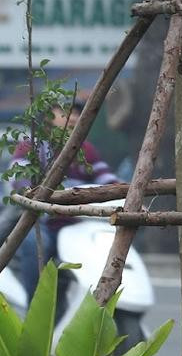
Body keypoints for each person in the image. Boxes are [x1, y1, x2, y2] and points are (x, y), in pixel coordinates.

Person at [10, 98, 118, 301]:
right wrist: (34, 194)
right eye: (66, 113)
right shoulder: (31, 146)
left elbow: (107, 179)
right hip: (44, 222)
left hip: (80, 223)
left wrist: (130, 196)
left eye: (77, 113)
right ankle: (34, 304)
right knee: (34, 243)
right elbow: (20, 179)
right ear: (49, 117)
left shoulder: (86, 149)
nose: (73, 118)